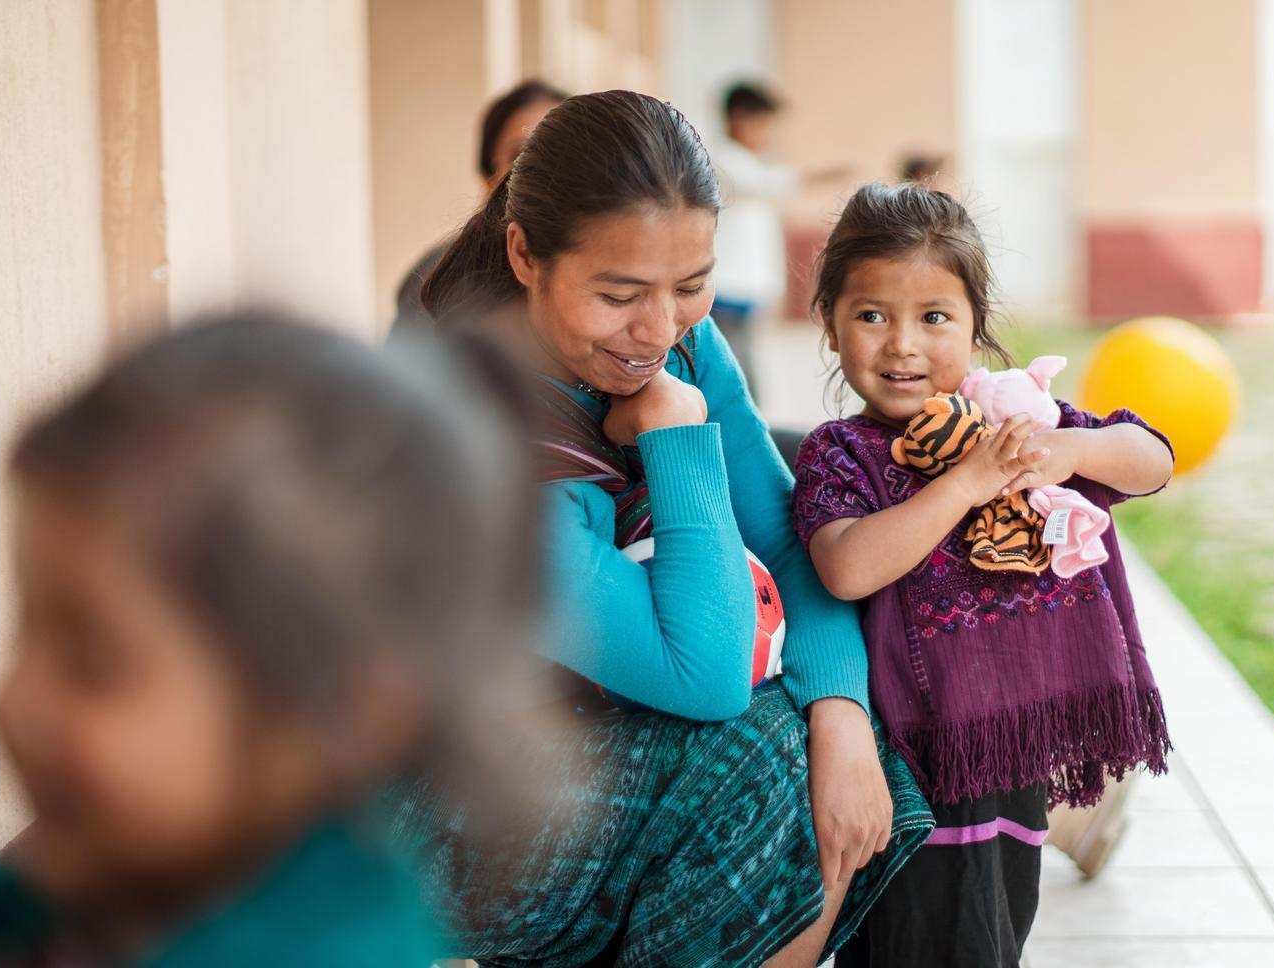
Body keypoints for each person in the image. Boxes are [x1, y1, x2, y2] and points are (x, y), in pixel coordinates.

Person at [0, 311, 544, 965]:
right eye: (24, 629)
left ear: (342, 710)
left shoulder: (321, 945)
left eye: (92, 663)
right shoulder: (120, 866)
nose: (17, 698)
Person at [402, 90, 932, 967]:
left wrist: (840, 716)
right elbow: (707, 674)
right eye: (618, 294)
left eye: (690, 286)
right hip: (451, 809)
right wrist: (679, 432)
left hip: (574, 726)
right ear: (525, 253)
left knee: (850, 734)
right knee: (759, 759)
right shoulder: (473, 437)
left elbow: (790, 540)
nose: (657, 329)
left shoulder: (678, 340)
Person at [789, 183, 1176, 967]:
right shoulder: (841, 452)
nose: (901, 344)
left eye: (934, 317)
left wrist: (1069, 450)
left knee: (994, 932)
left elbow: (1151, 459)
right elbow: (845, 566)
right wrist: (962, 483)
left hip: (1007, 752)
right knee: (926, 941)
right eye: (871, 315)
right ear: (830, 324)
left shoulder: (1014, 414)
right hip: (914, 763)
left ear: (974, 325)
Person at [710, 81, 850, 400]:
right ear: (739, 118)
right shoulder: (721, 161)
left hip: (744, 288)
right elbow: (765, 184)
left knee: (743, 367)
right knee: (731, 370)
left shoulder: (749, 161)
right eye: (763, 124)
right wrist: (818, 175)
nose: (767, 134)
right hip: (727, 287)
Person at [393, 79, 569, 329]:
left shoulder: (613, 263)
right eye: (521, 156)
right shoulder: (436, 280)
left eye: (558, 153)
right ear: (489, 179)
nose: (545, 171)